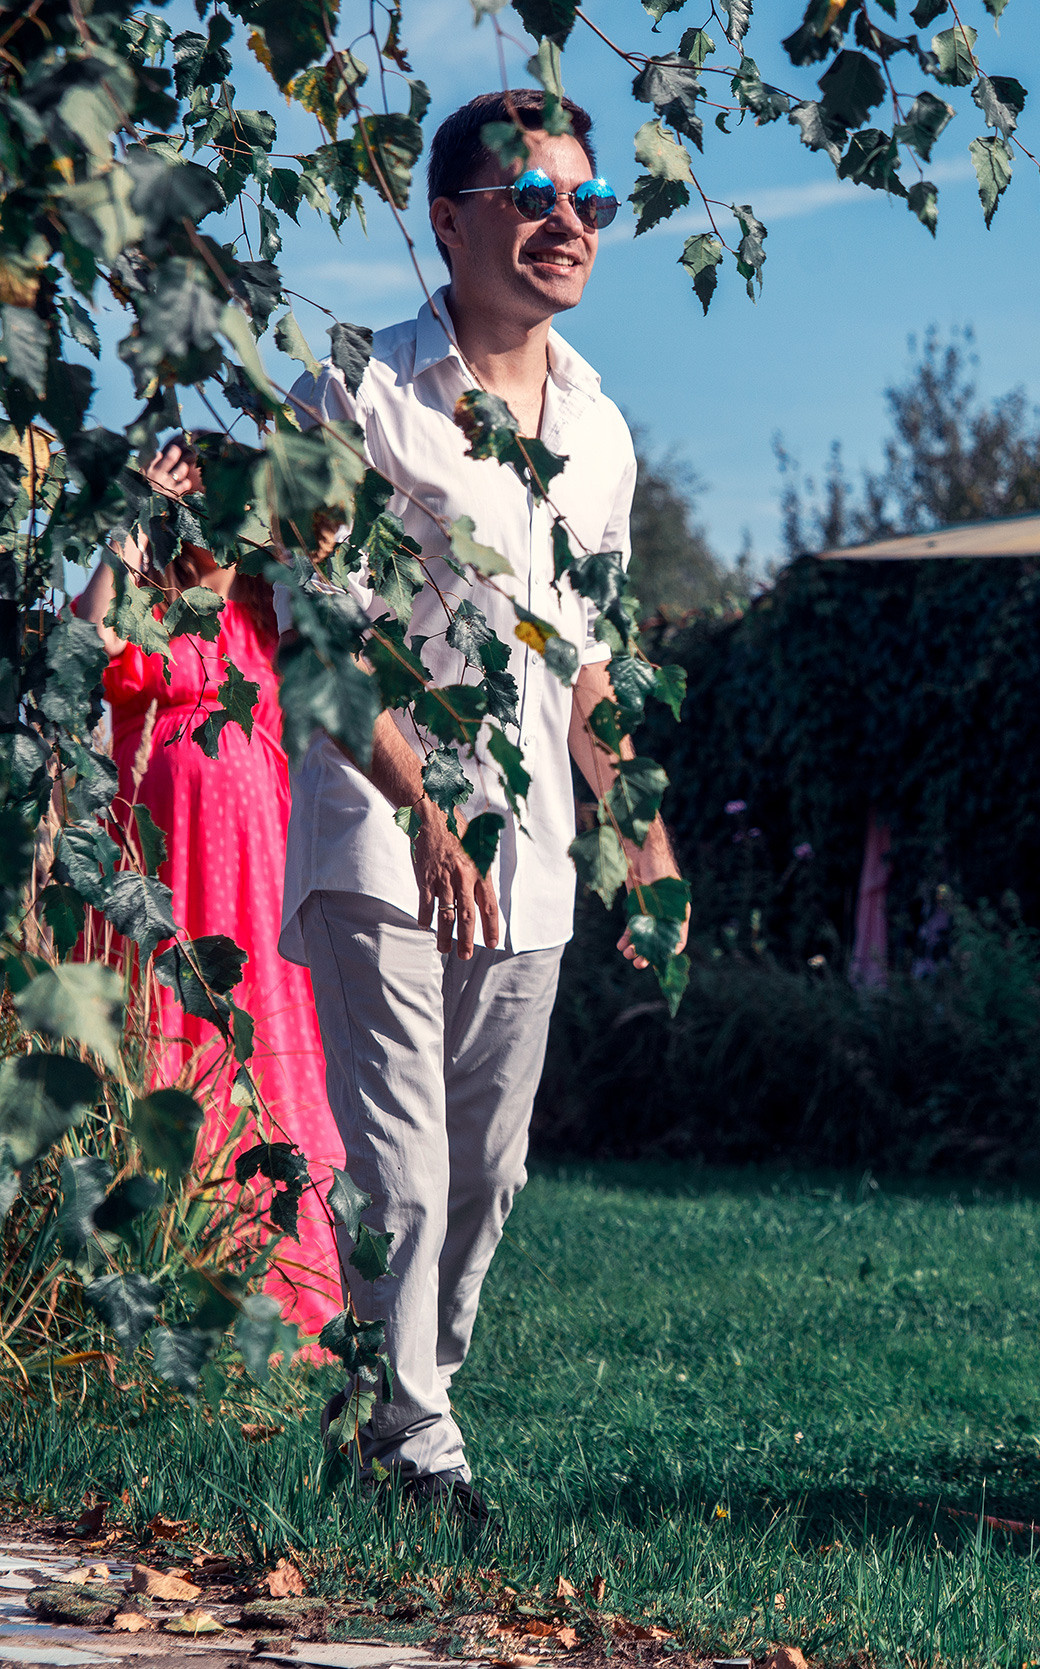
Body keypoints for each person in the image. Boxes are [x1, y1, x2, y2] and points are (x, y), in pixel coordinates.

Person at [278, 88, 685, 1519]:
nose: (565, 221)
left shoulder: (599, 430)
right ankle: (421, 1439)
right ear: (448, 219)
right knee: (400, 1167)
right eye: (530, 194)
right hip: (379, 824)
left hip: (537, 853)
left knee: (488, 1168)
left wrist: (647, 843)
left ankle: (399, 1408)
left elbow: (586, 663)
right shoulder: (358, 391)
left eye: (588, 200)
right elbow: (318, 642)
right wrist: (428, 815)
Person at [70, 442, 342, 1335]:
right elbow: (87, 644)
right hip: (158, 872)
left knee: (253, 1045)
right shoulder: (148, 605)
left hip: (253, 876)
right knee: (160, 1037)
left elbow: (346, 595)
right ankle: (147, 1285)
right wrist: (131, 516)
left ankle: (266, 1288)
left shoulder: (269, 613)